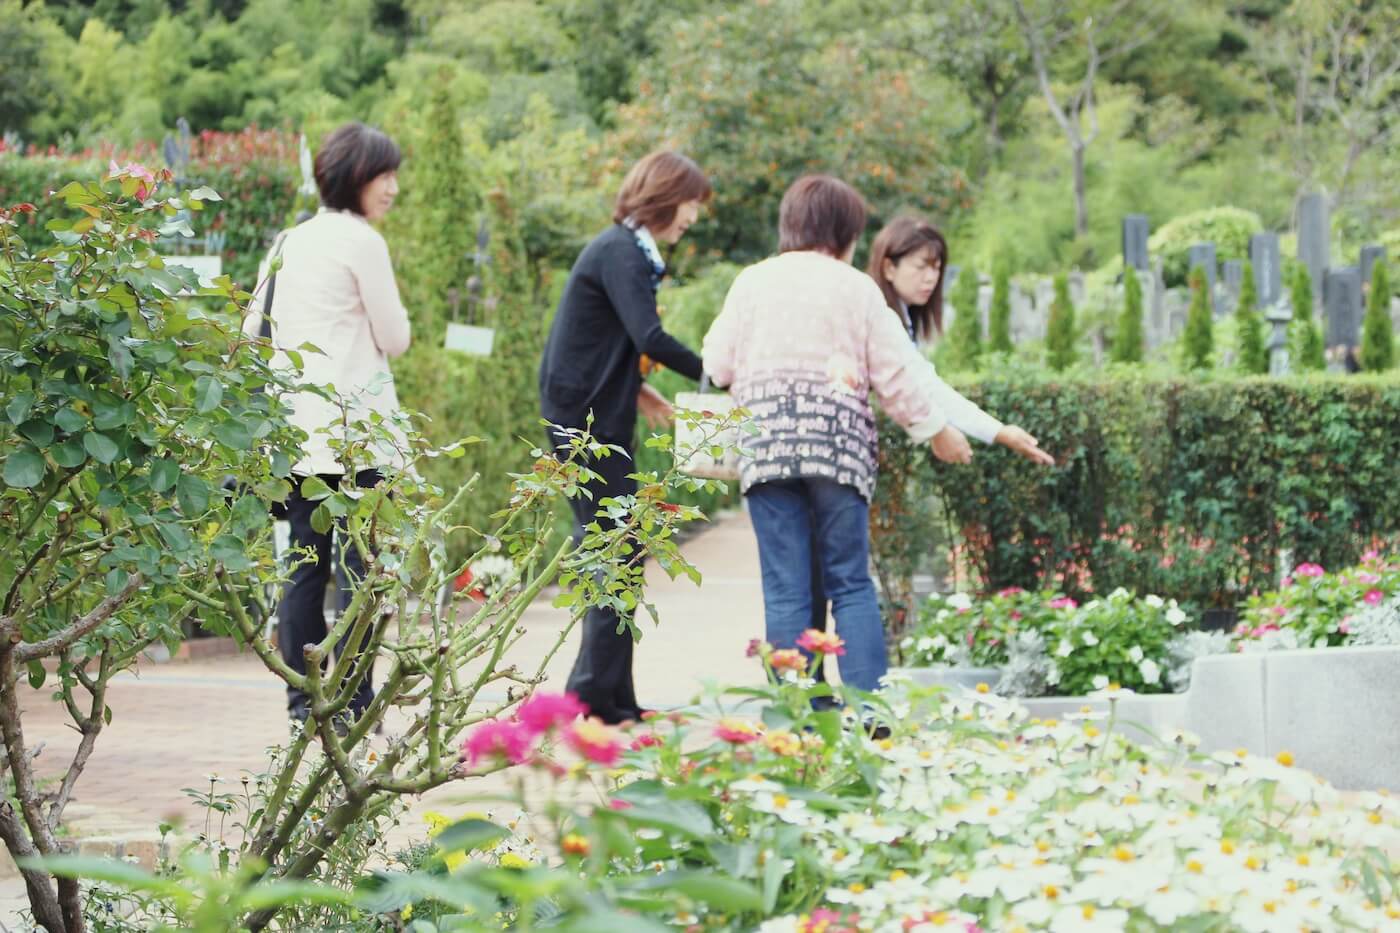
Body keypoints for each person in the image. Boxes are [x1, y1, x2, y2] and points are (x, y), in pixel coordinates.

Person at [704, 175, 999, 698]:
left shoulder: (751, 281)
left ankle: (800, 717)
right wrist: (935, 431)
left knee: (784, 589)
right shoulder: (856, 287)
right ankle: (870, 712)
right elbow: (895, 376)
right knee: (850, 583)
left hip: (766, 448)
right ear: (845, 233)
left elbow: (717, 362)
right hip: (839, 450)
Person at [244, 121, 410, 723]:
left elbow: (250, 334)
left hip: (297, 436)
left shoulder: (289, 239)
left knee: (304, 569)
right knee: (363, 573)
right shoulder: (361, 240)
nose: (392, 187)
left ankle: (301, 700)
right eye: (383, 175)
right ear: (354, 178)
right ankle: (352, 696)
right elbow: (397, 336)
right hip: (357, 435)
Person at [539, 150, 711, 725]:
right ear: (668, 194)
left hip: (598, 412)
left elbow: (608, 340)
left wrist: (639, 388)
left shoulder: (627, 251)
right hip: (585, 422)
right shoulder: (622, 252)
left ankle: (610, 696)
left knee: (621, 548)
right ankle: (592, 694)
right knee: (613, 548)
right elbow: (648, 334)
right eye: (692, 203)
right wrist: (716, 375)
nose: (693, 217)